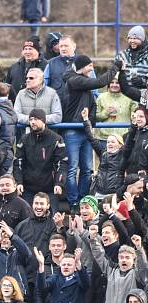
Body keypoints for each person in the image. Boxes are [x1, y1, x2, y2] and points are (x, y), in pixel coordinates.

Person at [61, 55, 121, 209]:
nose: (92, 69)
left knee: (87, 169)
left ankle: (84, 199)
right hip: (73, 130)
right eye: (89, 66)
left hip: (85, 130)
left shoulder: (83, 85)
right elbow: (100, 82)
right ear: (81, 67)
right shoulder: (75, 80)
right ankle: (74, 202)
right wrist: (116, 66)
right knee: (73, 168)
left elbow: (92, 106)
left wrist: (90, 120)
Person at [13, 109, 68, 208]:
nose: (32, 122)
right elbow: (18, 162)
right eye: (30, 119)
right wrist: (18, 182)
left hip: (50, 188)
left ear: (43, 120)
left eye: (36, 119)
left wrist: (59, 183)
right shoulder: (24, 139)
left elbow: (62, 163)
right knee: (27, 218)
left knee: (53, 219)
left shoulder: (56, 139)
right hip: (28, 188)